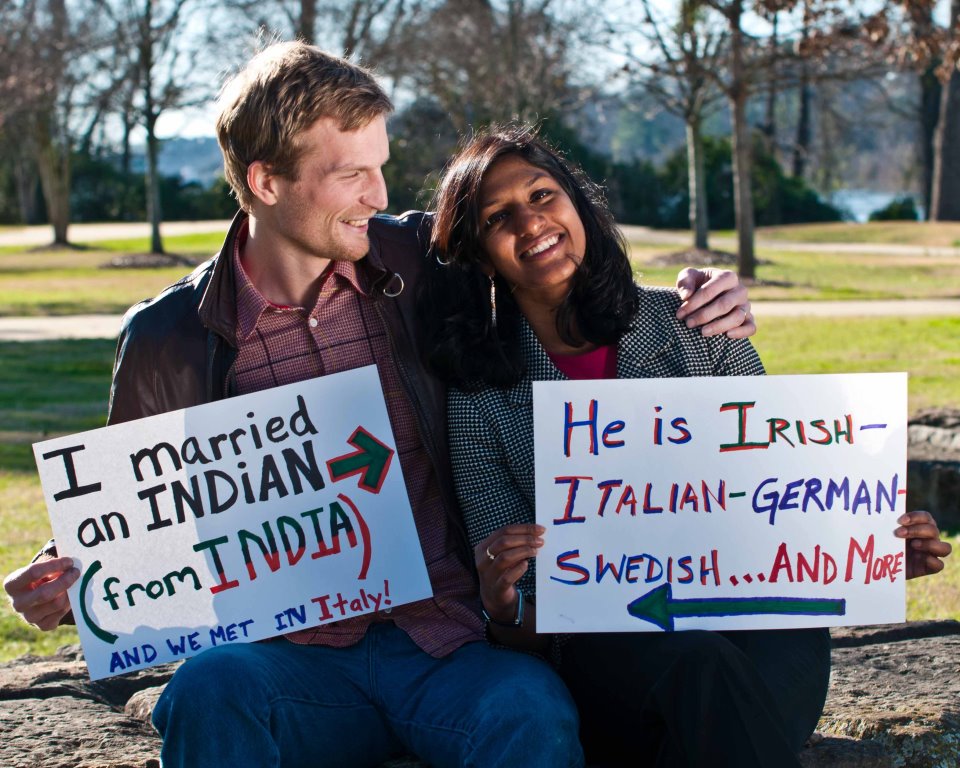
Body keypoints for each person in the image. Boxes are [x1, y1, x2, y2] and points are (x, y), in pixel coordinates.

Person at [1, 45, 759, 767]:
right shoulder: (168, 337)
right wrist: (74, 584)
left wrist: (696, 293)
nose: (381, 196)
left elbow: (554, 260)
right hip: (289, 664)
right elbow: (140, 530)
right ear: (266, 182)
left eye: (381, 167)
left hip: (451, 647)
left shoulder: (424, 261)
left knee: (530, 712)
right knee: (209, 689)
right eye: (352, 175)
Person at [423, 125, 953, 768]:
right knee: (699, 664)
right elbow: (534, 629)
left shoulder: (694, 320)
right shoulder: (481, 398)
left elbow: (787, 498)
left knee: (722, 673)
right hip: (613, 656)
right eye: (497, 218)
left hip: (760, 631)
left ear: (578, 205)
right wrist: (501, 602)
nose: (531, 223)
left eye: (542, 195)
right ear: (480, 255)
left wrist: (870, 554)